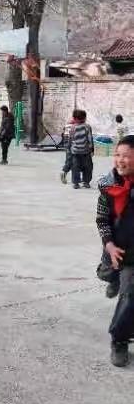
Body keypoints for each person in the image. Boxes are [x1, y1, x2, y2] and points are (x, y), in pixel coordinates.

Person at [95, 135, 134, 367]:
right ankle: (119, 340)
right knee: (128, 294)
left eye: (126, 156)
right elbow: (102, 220)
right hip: (119, 250)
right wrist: (109, 246)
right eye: (117, 155)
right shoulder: (109, 185)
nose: (120, 160)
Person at [69, 109, 94, 189]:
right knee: (88, 167)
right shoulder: (87, 127)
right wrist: (92, 149)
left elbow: (71, 139)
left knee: (75, 168)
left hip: (75, 152)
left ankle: (76, 183)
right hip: (86, 152)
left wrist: (69, 149)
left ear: (74, 118)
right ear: (84, 118)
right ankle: (86, 182)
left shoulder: (72, 128)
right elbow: (90, 138)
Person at [60, 110, 79, 184]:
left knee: (69, 159)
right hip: (74, 144)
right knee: (74, 161)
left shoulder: (67, 125)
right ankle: (64, 171)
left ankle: (67, 173)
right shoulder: (77, 126)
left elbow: (63, 134)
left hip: (66, 144)